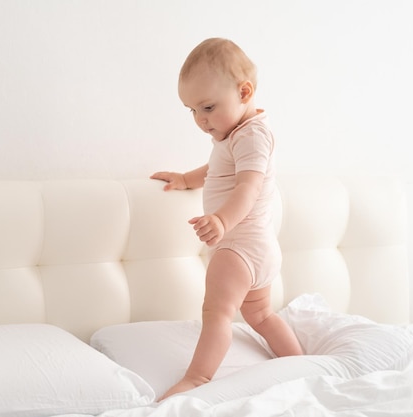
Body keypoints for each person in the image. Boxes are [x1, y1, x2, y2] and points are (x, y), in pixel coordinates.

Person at [151, 38, 303, 401]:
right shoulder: (237, 133)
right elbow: (220, 168)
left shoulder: (253, 136)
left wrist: (220, 221)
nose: (200, 120)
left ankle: (198, 378)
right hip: (260, 249)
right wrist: (187, 179)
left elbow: (247, 188)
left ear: (244, 91)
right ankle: (300, 364)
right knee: (262, 316)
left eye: (207, 107)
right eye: (191, 110)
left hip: (239, 245)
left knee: (216, 312)